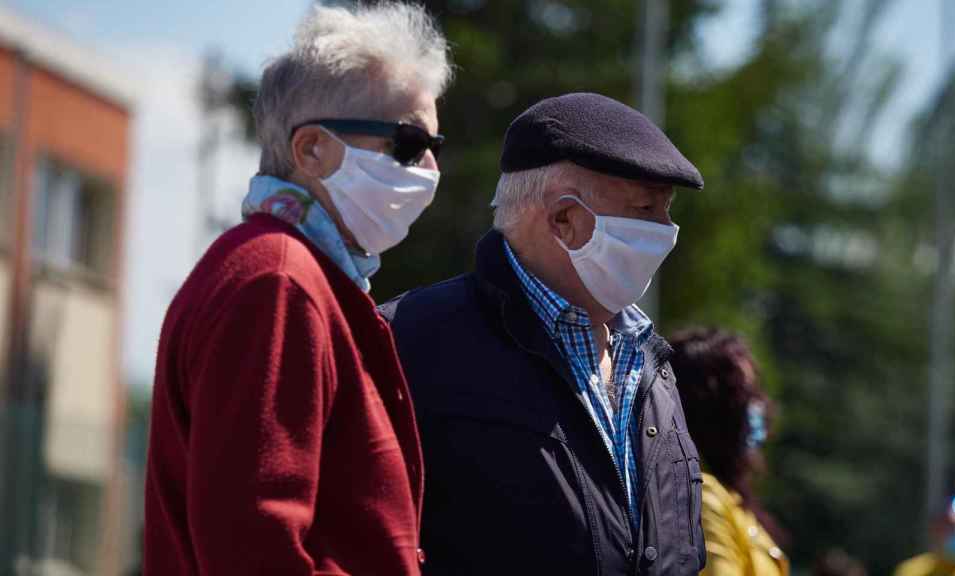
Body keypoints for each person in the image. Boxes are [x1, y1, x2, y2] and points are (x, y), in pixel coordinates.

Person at [144, 3, 451, 575]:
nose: (430, 167)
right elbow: (255, 547)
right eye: (408, 144)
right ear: (311, 149)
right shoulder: (278, 282)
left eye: (437, 144)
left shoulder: (296, 275)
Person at [380, 92, 706, 575]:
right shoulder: (405, 342)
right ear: (564, 220)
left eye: (667, 210)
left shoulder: (649, 367)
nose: (668, 230)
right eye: (645, 210)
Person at [668, 328, 789, 576]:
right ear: (709, 411)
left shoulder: (729, 500)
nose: (758, 405)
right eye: (745, 393)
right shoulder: (704, 498)